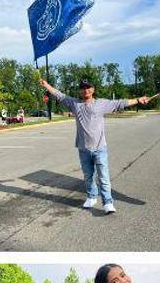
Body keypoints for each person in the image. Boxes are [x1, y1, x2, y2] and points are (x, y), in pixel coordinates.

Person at [38, 77, 151, 213]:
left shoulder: (101, 104)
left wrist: (138, 100)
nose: (86, 90)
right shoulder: (75, 104)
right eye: (83, 88)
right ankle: (91, 197)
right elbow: (60, 95)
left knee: (103, 177)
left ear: (93, 89)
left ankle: (108, 202)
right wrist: (46, 85)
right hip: (83, 148)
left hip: (99, 148)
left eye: (88, 87)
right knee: (88, 176)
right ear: (80, 91)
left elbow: (120, 103)